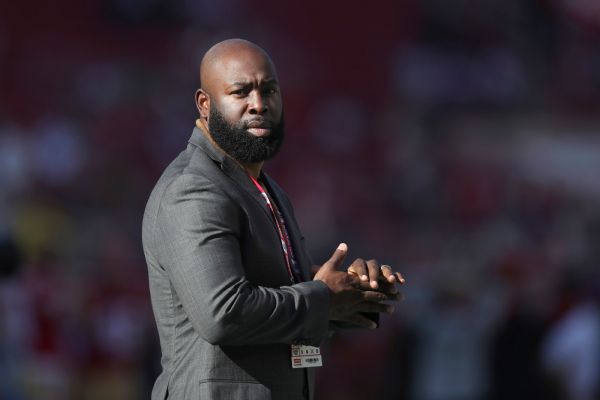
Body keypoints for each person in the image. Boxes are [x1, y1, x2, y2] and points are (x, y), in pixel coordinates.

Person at [142, 38, 405, 400]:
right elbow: (224, 314)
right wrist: (323, 297)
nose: (259, 104)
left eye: (269, 90)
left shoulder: (264, 188)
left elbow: (283, 294)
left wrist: (354, 291)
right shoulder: (194, 189)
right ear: (205, 103)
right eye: (240, 92)